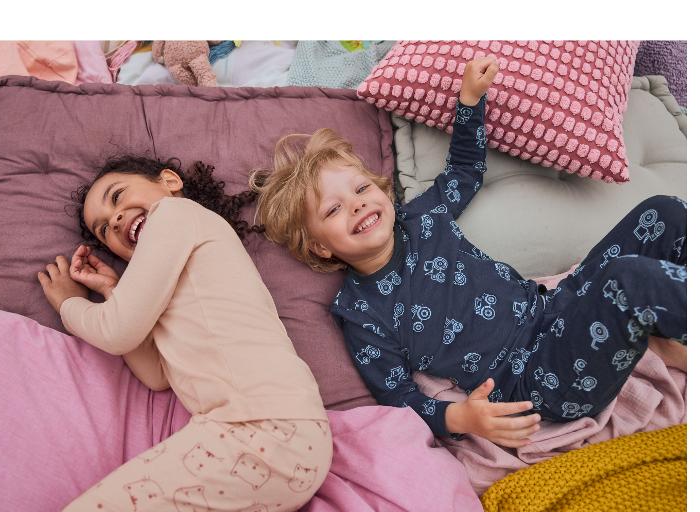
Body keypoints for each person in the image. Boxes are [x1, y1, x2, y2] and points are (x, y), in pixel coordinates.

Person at [252, 56, 687, 449]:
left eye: (362, 188)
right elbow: (397, 396)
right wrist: (462, 417)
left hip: (557, 309)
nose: (358, 204)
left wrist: (469, 101)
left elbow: (464, 169)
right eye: (333, 209)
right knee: (628, 280)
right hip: (537, 381)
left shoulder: (424, 217)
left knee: (663, 213)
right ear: (319, 246)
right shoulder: (361, 312)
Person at [37, 156, 332, 512]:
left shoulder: (174, 215)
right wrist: (113, 291)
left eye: (117, 197)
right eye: (103, 229)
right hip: (268, 433)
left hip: (266, 426)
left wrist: (67, 304)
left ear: (169, 181)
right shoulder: (179, 271)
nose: (115, 220)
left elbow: (117, 332)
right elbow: (157, 375)